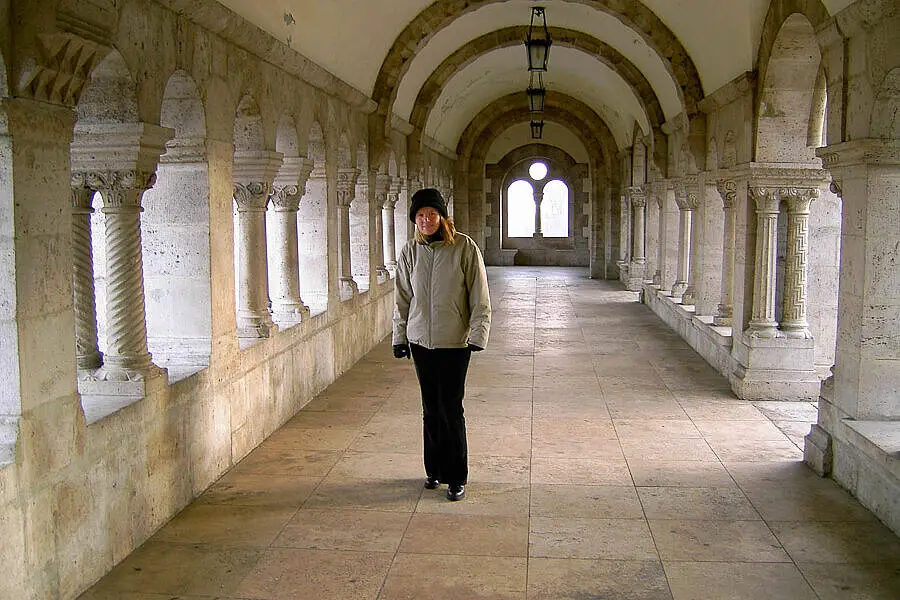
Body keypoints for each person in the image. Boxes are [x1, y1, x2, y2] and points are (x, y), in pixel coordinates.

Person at [392, 188, 491, 501]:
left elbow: (479, 293)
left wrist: (478, 333)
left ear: (442, 216)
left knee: (451, 408)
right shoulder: (409, 252)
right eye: (420, 216)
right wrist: (400, 336)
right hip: (421, 341)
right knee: (430, 409)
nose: (425, 220)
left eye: (431, 214)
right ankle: (433, 470)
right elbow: (402, 299)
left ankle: (456, 475)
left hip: (454, 342)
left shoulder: (464, 247)